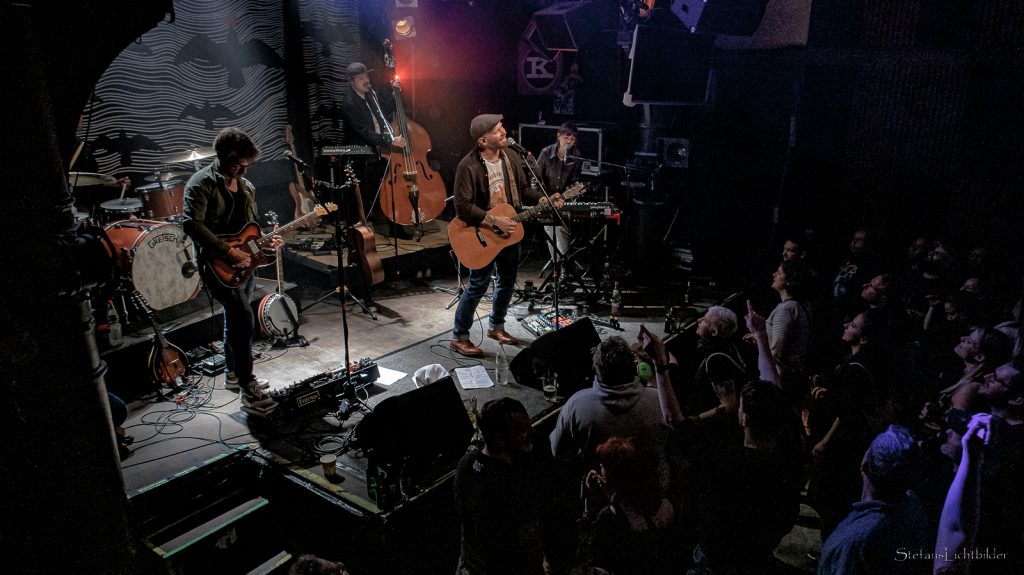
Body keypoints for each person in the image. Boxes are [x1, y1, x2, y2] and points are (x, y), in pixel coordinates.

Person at [183, 127, 280, 418]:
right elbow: (191, 224)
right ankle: (248, 384)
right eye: (238, 164)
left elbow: (249, 229)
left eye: (246, 164)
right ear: (223, 157)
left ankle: (232, 374)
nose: (243, 169)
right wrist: (228, 252)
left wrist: (268, 242)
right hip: (218, 264)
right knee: (243, 317)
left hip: (244, 263)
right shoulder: (201, 183)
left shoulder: (246, 186)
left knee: (234, 319)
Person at [450, 114, 560, 357]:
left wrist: (541, 199)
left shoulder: (511, 157)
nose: (504, 133)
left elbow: (523, 189)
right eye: (497, 130)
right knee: (477, 285)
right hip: (482, 234)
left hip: (508, 232)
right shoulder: (468, 166)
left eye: (502, 128)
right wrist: (493, 220)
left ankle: (496, 326)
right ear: (482, 141)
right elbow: (462, 207)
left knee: (507, 281)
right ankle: (459, 336)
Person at [454, 397, 545, 575]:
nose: (530, 432)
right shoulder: (513, 485)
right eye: (522, 430)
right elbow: (529, 542)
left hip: (469, 565)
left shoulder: (465, 463)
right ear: (500, 439)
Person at [339, 61, 406, 225]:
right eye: (361, 78)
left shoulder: (371, 94)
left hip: (377, 149)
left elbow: (385, 111)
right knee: (361, 191)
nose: (366, 80)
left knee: (380, 188)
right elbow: (363, 132)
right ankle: (358, 224)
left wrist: (395, 94)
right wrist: (390, 140)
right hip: (361, 154)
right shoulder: (349, 103)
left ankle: (387, 219)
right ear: (352, 82)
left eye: (366, 76)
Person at [535, 122, 582, 268]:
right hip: (544, 198)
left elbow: (575, 183)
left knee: (561, 229)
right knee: (551, 229)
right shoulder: (546, 152)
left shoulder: (576, 156)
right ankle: (560, 265)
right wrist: (540, 198)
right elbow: (535, 179)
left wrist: (568, 196)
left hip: (562, 200)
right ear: (558, 136)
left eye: (572, 139)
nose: (569, 142)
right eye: (566, 137)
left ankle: (561, 266)